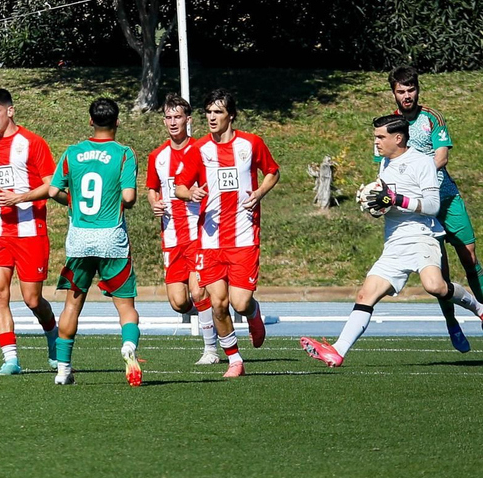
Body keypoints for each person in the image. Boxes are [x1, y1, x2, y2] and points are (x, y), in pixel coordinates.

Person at [302, 114, 483, 366]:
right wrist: (374, 205)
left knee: (435, 287)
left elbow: (432, 206)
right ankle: (337, 350)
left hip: (422, 237)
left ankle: (478, 307)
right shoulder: (385, 163)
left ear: (398, 138)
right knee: (365, 294)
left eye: (380, 137)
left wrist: (397, 200)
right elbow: (388, 200)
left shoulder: (422, 163)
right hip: (395, 242)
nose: (375, 142)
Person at [0, 97, 142, 386]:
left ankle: (63, 370)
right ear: (116, 122)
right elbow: (128, 197)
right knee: (125, 307)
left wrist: (74, 202)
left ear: (90, 121)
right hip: (112, 238)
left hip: (80, 239)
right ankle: (128, 347)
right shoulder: (124, 153)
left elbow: (53, 191)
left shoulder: (73, 152)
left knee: (71, 307)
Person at [174, 89, 279, 378]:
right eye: (208, 111)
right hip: (210, 239)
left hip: (244, 237)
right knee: (218, 303)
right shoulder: (200, 149)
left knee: (240, 303)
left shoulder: (251, 144)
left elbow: (272, 171)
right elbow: (180, 186)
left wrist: (258, 193)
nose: (211, 117)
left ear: (230, 115)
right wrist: (190, 193)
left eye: (217, 112)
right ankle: (235, 360)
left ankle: (254, 313)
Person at [0, 87, 61, 375]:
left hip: (30, 231)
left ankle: (53, 336)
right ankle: (10, 358)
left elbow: (51, 185)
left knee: (32, 299)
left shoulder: (33, 143)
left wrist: (19, 198)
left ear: (10, 111)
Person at [389, 66, 483, 353]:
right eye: (401, 91)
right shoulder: (389, 126)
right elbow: (385, 162)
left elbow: (441, 156)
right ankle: (452, 322)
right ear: (394, 93)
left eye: (411, 90)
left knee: (469, 256)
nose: (407, 96)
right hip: (420, 209)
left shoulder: (432, 118)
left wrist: (419, 172)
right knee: (438, 274)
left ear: (418, 89)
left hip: (446, 197)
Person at [145, 94, 223, 365]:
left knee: (198, 291)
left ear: (188, 120)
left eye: (178, 117)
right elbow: (152, 189)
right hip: (171, 236)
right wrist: (154, 203)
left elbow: (212, 187)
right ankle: (214, 314)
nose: (173, 122)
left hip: (198, 233)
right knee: (178, 302)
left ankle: (211, 349)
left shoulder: (201, 152)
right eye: (168, 117)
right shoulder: (157, 156)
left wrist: (196, 193)